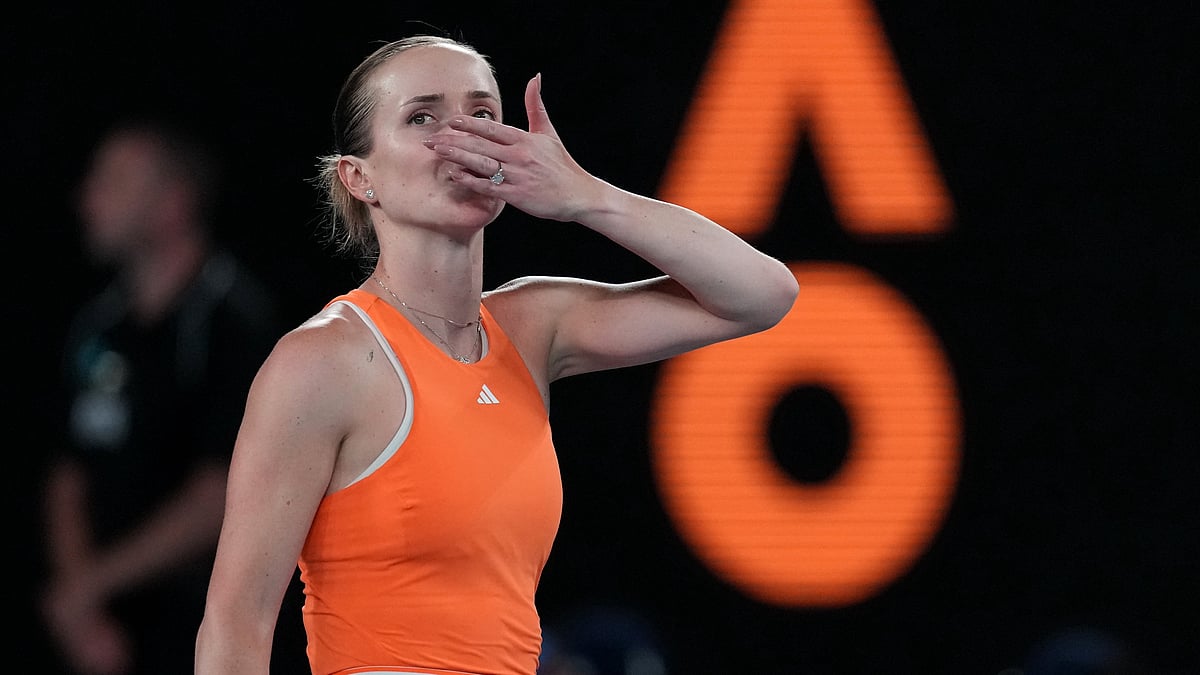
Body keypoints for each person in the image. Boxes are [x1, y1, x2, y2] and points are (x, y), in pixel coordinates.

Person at [194, 35, 799, 675]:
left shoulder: (534, 325)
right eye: (422, 117)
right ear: (359, 177)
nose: (463, 138)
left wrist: (586, 196)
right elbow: (237, 623)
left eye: (482, 114)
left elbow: (762, 294)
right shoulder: (325, 360)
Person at [40, 118, 286, 675]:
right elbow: (68, 474)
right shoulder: (97, 325)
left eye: (113, 182)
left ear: (172, 204)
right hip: (104, 631)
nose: (87, 197)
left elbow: (223, 491)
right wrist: (82, 607)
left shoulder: (235, 323)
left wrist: (88, 587)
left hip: (205, 625)